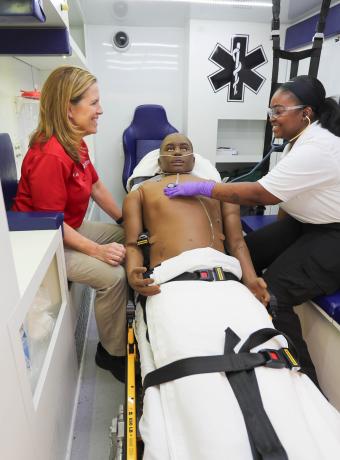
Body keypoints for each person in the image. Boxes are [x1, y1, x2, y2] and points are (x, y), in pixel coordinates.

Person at [163, 75, 340, 386]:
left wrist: (205, 186)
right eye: (270, 110)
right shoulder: (300, 140)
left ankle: (305, 381)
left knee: (274, 293)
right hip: (306, 224)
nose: (271, 118)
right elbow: (290, 195)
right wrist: (280, 240)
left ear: (306, 113)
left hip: (333, 234)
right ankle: (247, 325)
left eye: (279, 111)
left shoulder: (320, 146)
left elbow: (263, 195)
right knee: (240, 258)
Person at [12, 66, 127, 382]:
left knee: (129, 236)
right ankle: (111, 353)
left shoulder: (75, 144)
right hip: (48, 243)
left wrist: (124, 220)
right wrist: (99, 252)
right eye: (93, 103)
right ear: (68, 108)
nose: (100, 110)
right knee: (113, 276)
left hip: (69, 228)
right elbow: (53, 226)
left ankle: (124, 312)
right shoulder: (51, 156)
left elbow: (97, 187)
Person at [123, 132, 269, 304]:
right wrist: (133, 274)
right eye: (170, 149)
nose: (177, 152)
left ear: (193, 161)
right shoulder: (140, 193)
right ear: (159, 162)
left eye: (184, 148)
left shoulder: (221, 192)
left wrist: (251, 280)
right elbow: (133, 244)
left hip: (222, 273)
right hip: (169, 276)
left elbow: (237, 242)